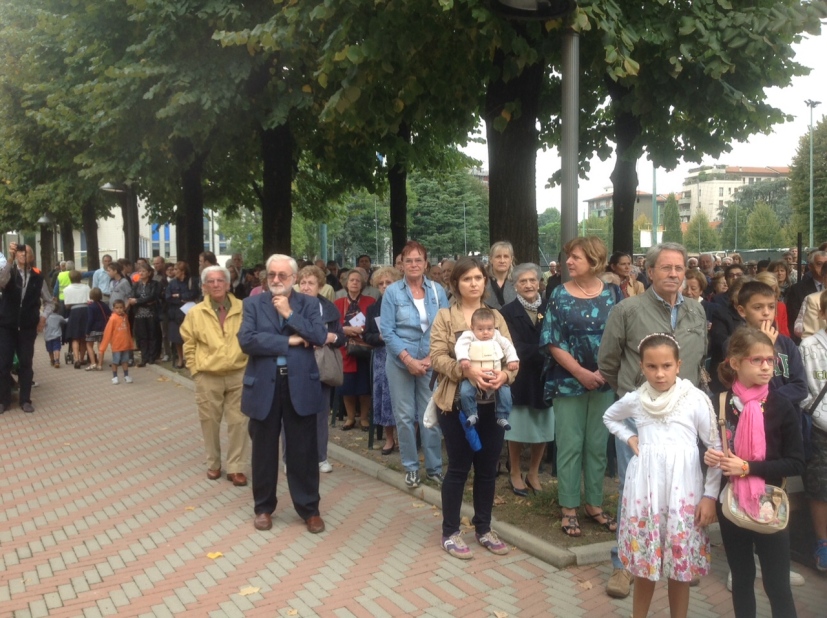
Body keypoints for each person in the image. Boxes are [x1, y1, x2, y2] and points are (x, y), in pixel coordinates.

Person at [598, 242, 708, 599]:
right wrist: (633, 394)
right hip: (640, 418)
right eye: (666, 267)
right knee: (635, 490)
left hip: (682, 418)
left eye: (679, 268)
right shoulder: (627, 309)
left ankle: (676, 557)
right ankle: (624, 565)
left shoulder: (696, 310)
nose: (674, 274)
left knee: (680, 489)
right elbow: (607, 361)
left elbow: (699, 358)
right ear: (649, 271)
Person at [603, 333, 721, 618]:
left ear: (678, 365)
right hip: (646, 493)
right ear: (641, 367)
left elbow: (716, 448)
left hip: (683, 494)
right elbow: (609, 417)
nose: (659, 373)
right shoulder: (636, 399)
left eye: (666, 366)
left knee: (679, 571)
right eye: (652, 366)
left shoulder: (695, 399)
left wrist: (709, 496)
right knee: (645, 567)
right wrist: (630, 438)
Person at [704, 327, 805, 618]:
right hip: (731, 503)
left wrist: (748, 468)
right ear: (735, 363)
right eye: (757, 360)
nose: (766, 367)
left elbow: (796, 462)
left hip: (770, 502)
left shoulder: (781, 406)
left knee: (777, 585)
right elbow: (709, 450)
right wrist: (709, 457)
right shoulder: (720, 403)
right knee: (742, 578)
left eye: (770, 360)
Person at [430, 256, 516, 559]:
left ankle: (483, 528)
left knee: (488, 468)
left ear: (485, 281)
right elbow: (437, 357)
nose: (473, 283)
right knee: (458, 467)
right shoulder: (445, 316)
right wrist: (466, 372)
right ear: (456, 283)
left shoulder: (496, 316)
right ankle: (450, 531)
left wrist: (506, 376)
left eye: (478, 277)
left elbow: (510, 355)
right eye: (466, 278)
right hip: (456, 404)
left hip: (493, 404)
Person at [237, 254, 328, 534]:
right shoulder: (252, 304)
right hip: (264, 385)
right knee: (263, 451)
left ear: (294, 278)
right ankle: (263, 508)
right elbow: (247, 341)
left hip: (299, 384)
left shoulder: (309, 304)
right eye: (272, 275)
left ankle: (309, 509)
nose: (276, 280)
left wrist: (290, 314)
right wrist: (288, 340)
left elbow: (319, 337)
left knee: (303, 451)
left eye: (282, 275)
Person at [542, 236, 622, 539]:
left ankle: (594, 505)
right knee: (570, 444)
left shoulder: (613, 294)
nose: (569, 262)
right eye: (569, 257)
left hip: (604, 381)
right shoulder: (559, 294)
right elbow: (552, 340)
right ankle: (569, 507)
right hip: (567, 382)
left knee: (598, 446)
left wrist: (603, 371)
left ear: (594, 260)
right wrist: (580, 373)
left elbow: (622, 336)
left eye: (576, 257)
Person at [380, 241, 448, 488]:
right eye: (408, 260)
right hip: (400, 363)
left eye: (418, 260)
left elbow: (445, 326)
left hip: (430, 363)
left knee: (430, 416)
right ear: (401, 265)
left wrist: (430, 358)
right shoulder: (392, 292)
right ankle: (410, 468)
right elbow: (387, 331)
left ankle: (434, 469)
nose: (413, 264)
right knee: (405, 416)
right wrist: (408, 360)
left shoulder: (437, 291)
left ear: (426, 263)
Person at [180, 265, 250, 487]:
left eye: (220, 280)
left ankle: (236, 467)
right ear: (204, 286)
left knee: (239, 422)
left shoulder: (244, 308)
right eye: (211, 281)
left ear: (228, 284)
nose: (216, 284)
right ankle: (214, 463)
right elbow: (188, 344)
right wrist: (195, 370)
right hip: (208, 375)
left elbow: (253, 337)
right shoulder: (195, 313)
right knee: (209, 422)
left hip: (239, 373)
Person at [500, 263, 555, 496]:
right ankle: (515, 471)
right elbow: (513, 346)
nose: (529, 285)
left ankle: (533, 473)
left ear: (539, 283)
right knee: (517, 428)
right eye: (523, 281)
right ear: (515, 285)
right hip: (520, 376)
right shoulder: (506, 312)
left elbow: (556, 336)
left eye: (533, 280)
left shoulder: (550, 307)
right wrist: (547, 351)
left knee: (543, 426)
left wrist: (551, 352)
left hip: (545, 376)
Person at [295, 265, 346, 474]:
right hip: (296, 365)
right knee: (293, 414)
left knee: (320, 414)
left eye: (311, 283)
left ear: (320, 286)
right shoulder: (290, 306)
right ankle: (292, 459)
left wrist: (330, 337)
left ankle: (320, 457)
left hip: (321, 367)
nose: (306, 287)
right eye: (303, 282)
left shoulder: (329, 309)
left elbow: (341, 337)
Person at [0, 243, 52, 413]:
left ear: (31, 257)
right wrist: (9, 259)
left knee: (25, 363)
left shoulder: (38, 277)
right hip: (7, 326)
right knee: (4, 364)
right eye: (20, 252)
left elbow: (49, 302)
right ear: (16, 255)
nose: (23, 255)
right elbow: (1, 281)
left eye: (26, 252)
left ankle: (25, 400)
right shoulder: (10, 272)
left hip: (27, 327)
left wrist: (43, 318)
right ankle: (4, 400)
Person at [798, 289, 827, 571]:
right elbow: (803, 389)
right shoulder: (808, 347)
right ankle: (823, 543)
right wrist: (820, 417)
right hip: (821, 429)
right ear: (822, 314)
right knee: (820, 486)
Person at [455, 307, 519, 429]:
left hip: (495, 375)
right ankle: (471, 413)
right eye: (480, 329)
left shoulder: (497, 336)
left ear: (494, 327)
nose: (485, 332)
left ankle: (502, 416)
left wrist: (512, 360)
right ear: (472, 327)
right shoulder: (468, 336)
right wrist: (463, 359)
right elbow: (460, 346)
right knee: (465, 391)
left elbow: (508, 346)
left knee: (505, 392)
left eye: (489, 329)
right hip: (473, 376)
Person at [363, 266, 403, 455]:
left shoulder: (404, 304)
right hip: (382, 356)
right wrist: (379, 337)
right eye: (381, 283)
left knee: (405, 397)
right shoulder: (373, 309)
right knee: (385, 398)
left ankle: (406, 438)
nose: (385, 286)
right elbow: (367, 335)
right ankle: (389, 439)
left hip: (404, 354)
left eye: (389, 282)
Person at [334, 269, 376, 431]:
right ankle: (350, 418)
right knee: (347, 386)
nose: (354, 283)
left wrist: (361, 330)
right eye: (351, 280)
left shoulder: (370, 301)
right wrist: (346, 330)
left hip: (364, 348)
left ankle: (364, 418)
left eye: (358, 280)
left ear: (362, 284)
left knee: (364, 386)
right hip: (345, 350)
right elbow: (334, 326)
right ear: (346, 283)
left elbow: (374, 323)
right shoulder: (338, 303)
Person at [166, 261, 200, 368]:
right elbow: (168, 297)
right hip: (175, 314)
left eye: (176, 269)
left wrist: (179, 296)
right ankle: (180, 360)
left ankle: (191, 359)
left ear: (183, 271)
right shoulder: (172, 283)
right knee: (177, 338)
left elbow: (193, 294)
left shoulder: (192, 281)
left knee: (190, 337)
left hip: (188, 313)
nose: (174, 271)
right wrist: (180, 299)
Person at [129, 263, 160, 366]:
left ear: (149, 273)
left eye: (143, 271)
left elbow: (152, 297)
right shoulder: (136, 285)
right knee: (142, 335)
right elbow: (132, 298)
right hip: (139, 313)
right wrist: (141, 301)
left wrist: (138, 301)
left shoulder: (154, 284)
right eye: (140, 271)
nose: (141, 273)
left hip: (151, 312)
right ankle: (144, 357)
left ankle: (152, 357)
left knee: (152, 334)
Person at [98, 299, 133, 383]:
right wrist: (103, 347)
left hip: (125, 345)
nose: (119, 310)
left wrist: (130, 343)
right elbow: (107, 332)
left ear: (124, 308)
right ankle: (115, 377)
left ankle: (126, 375)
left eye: (121, 307)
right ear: (113, 309)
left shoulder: (125, 317)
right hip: (116, 345)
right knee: (115, 362)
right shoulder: (113, 319)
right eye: (117, 308)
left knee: (125, 361)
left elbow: (128, 330)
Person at [63, 270, 91, 368]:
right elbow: (90, 301)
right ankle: (82, 358)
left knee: (75, 337)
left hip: (74, 311)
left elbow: (67, 305)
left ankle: (76, 359)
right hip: (85, 311)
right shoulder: (86, 287)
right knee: (83, 337)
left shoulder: (67, 289)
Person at [754, 272, 790, 337]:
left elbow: (785, 334)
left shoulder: (781, 307)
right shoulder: (750, 306)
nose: (769, 294)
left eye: (772, 291)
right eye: (765, 291)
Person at [485, 241, 517, 310]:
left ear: (511, 259)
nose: (502, 261)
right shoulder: (482, 281)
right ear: (491, 259)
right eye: (498, 257)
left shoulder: (518, 282)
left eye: (506, 257)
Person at [85, 288, 110, 370]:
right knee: (100, 347)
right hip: (102, 329)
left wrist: (87, 331)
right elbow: (110, 314)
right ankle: (100, 364)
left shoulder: (91, 306)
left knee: (89, 345)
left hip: (93, 329)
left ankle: (93, 363)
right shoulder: (104, 305)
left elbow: (90, 319)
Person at [44, 299, 66, 368]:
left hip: (48, 336)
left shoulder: (46, 318)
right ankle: (57, 361)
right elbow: (64, 321)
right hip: (56, 336)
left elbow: (44, 324)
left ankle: (52, 360)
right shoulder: (59, 317)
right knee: (57, 348)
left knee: (50, 350)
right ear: (58, 310)